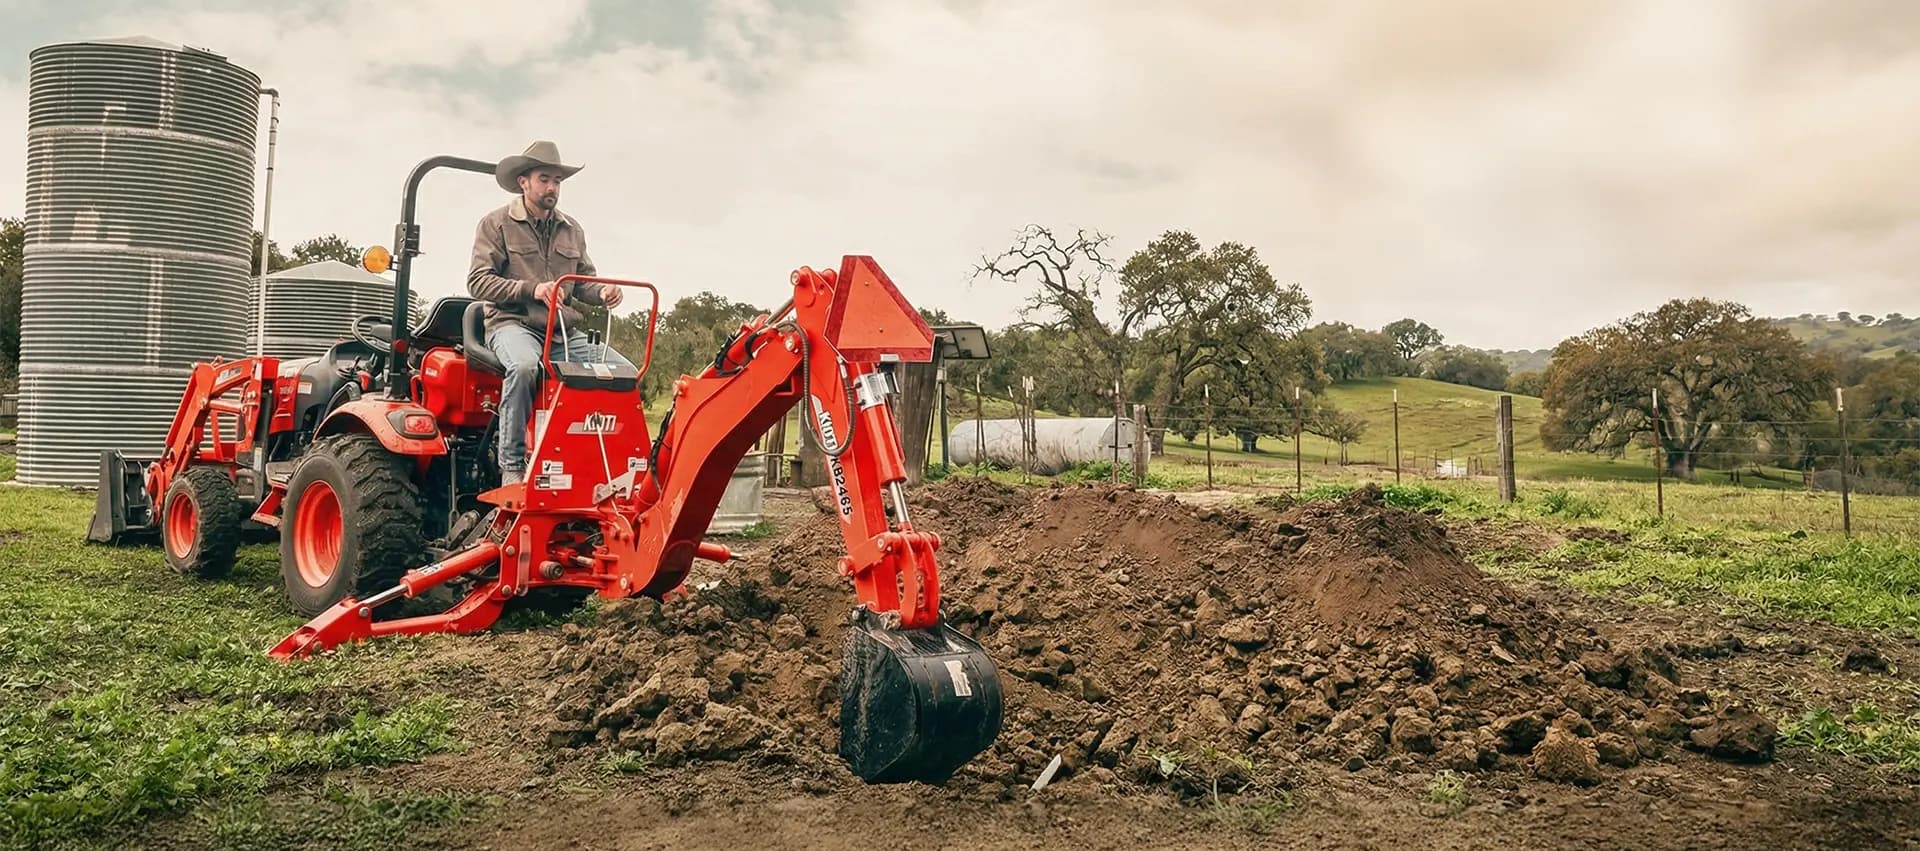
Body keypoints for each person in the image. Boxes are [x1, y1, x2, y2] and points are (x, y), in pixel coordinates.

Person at [468, 140, 634, 485]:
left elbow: (583, 282)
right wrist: (531, 289)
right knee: (526, 366)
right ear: (523, 182)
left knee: (623, 371)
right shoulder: (496, 224)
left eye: (557, 181)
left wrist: (602, 292)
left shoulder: (572, 229)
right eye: (545, 179)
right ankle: (512, 468)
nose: (552, 188)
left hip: (561, 333)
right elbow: (479, 282)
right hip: (512, 324)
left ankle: (597, 466)